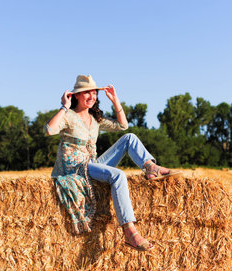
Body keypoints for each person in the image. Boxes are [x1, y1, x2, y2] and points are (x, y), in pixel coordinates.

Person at [45, 75, 179, 251]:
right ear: (76, 95)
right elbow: (49, 129)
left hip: (92, 164)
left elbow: (123, 126)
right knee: (118, 175)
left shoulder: (95, 120)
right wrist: (64, 106)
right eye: (87, 93)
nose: (92, 97)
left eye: (94, 93)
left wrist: (115, 101)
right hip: (75, 168)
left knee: (129, 138)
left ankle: (150, 167)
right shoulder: (69, 116)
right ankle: (129, 230)